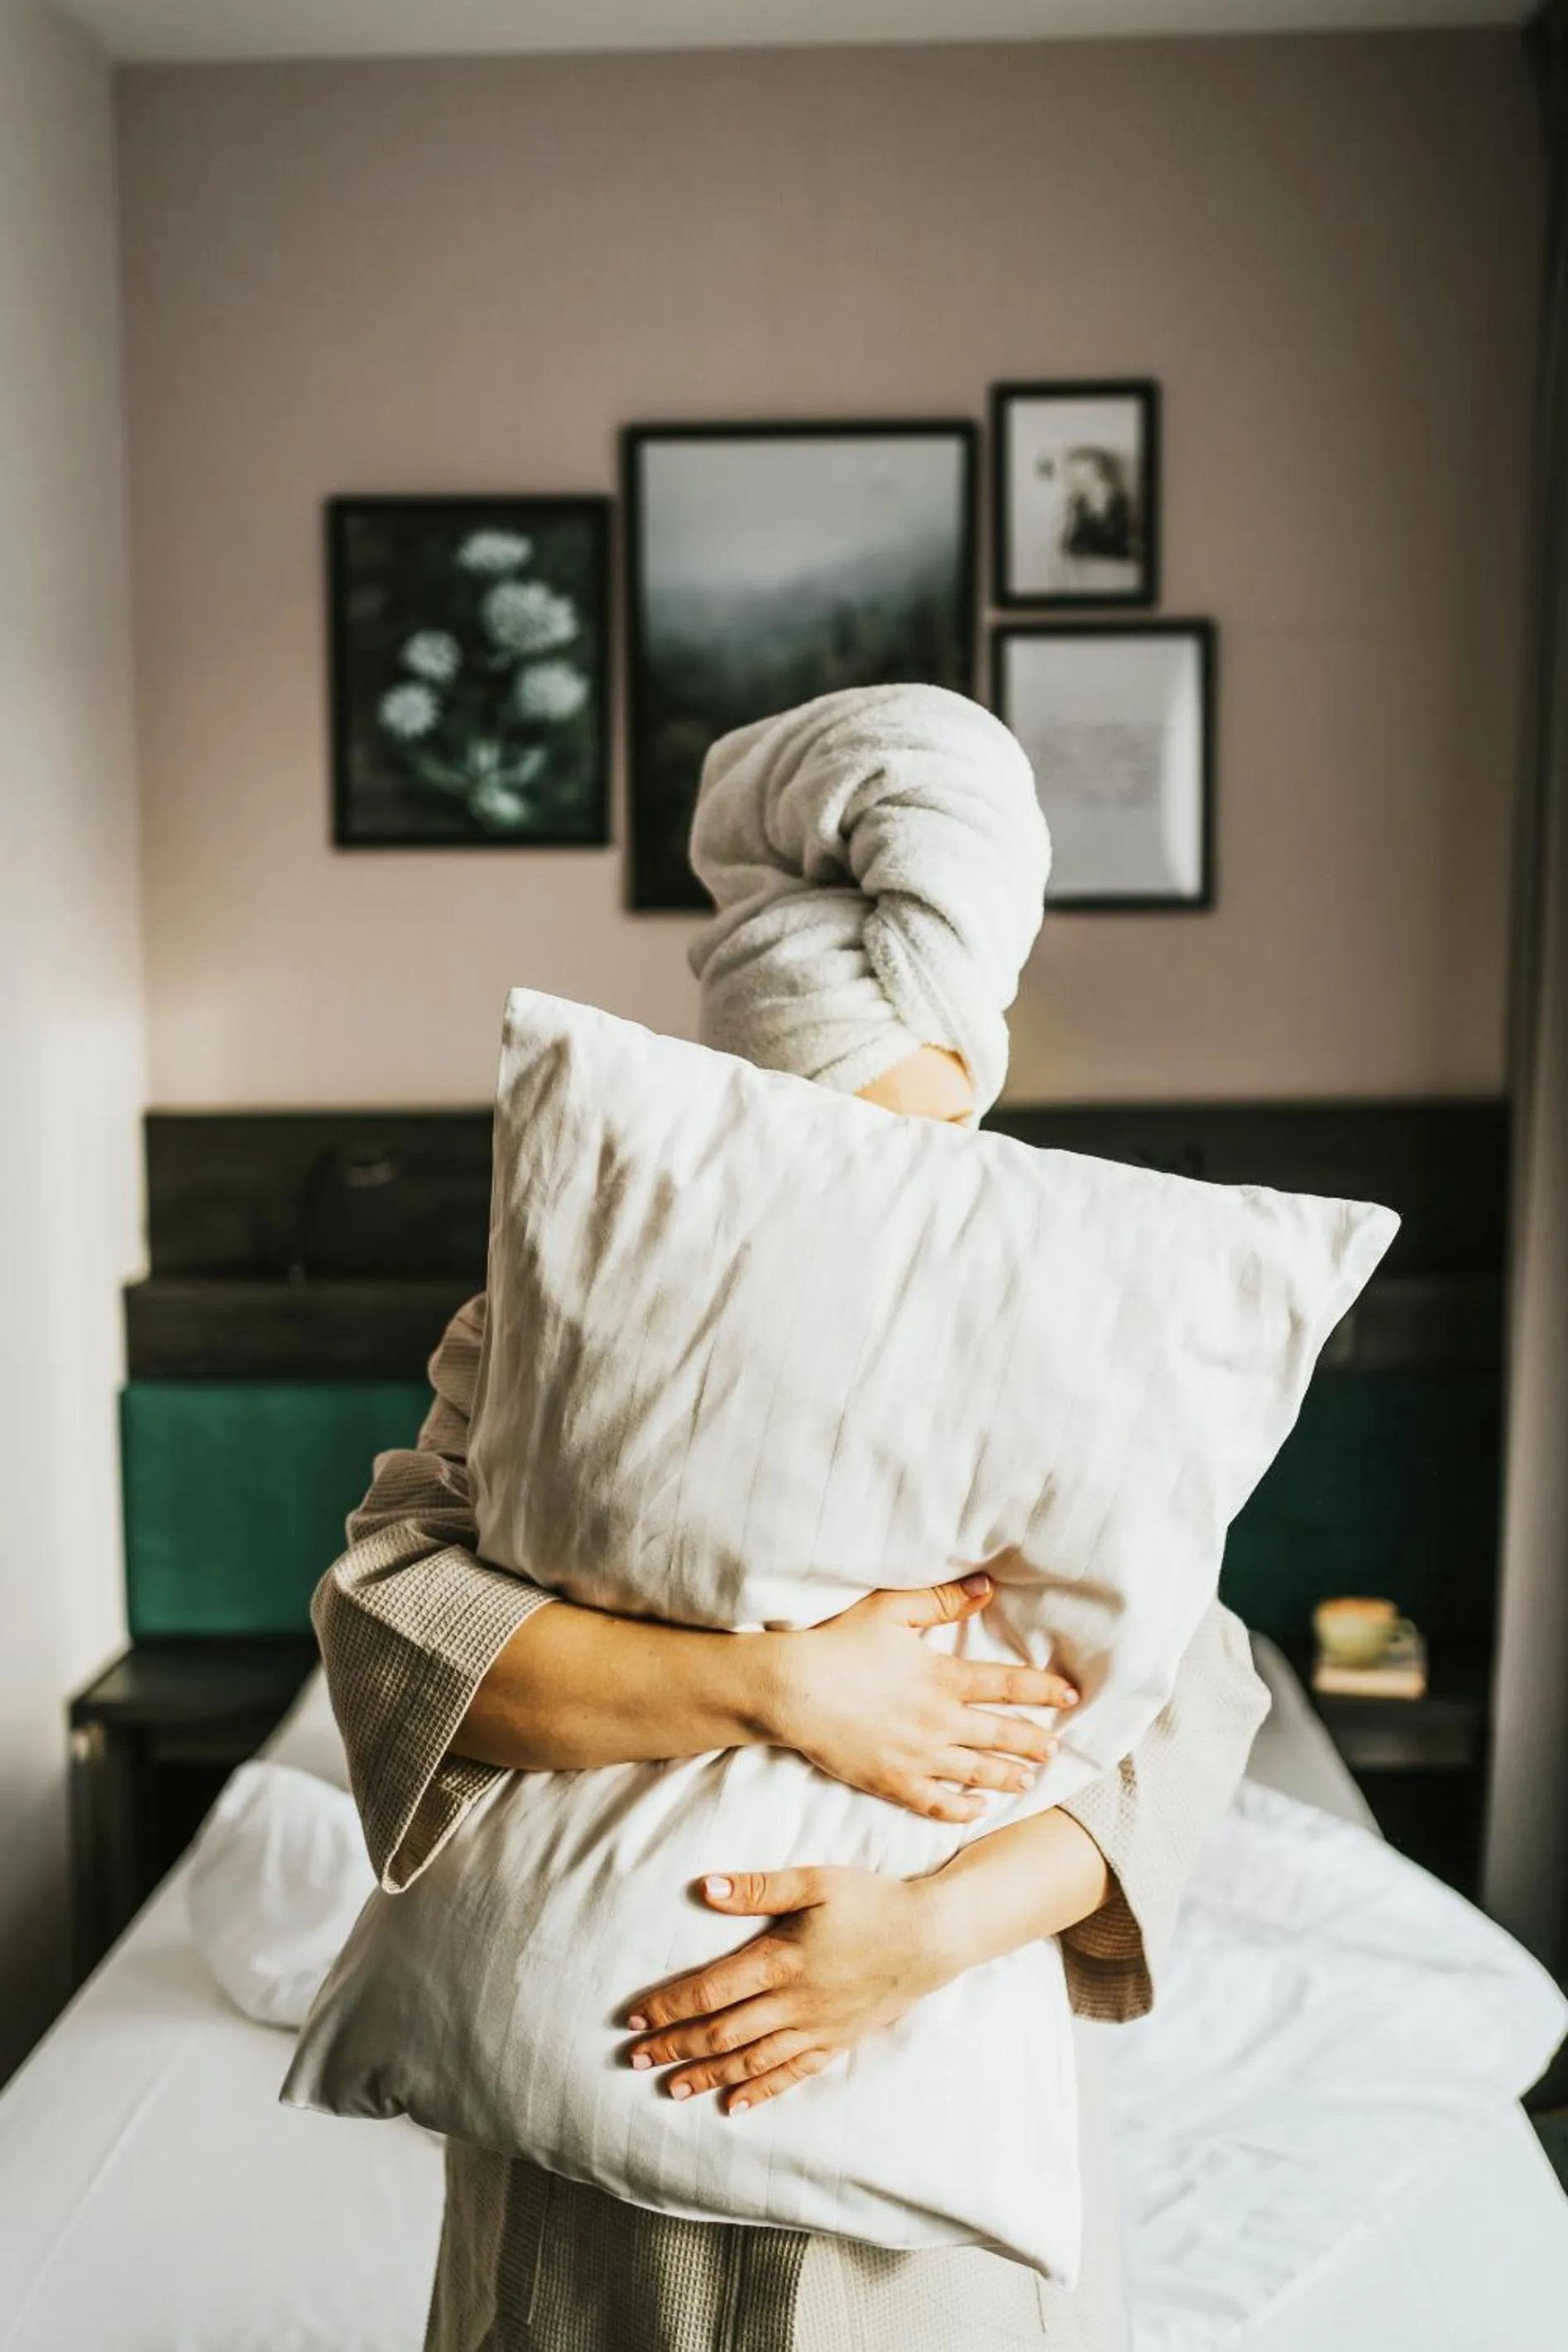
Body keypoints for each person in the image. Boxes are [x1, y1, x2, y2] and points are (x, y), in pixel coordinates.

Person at [314, 686, 1270, 2350]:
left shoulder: (1062, 1317)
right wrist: (779, 1684)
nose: (861, 1201)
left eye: (908, 1145)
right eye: (805, 1141)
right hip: (590, 2175)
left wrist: (915, 1936)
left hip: (926, 2163)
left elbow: (1189, 1705)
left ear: (969, 1109)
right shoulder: (552, 1312)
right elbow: (392, 1615)